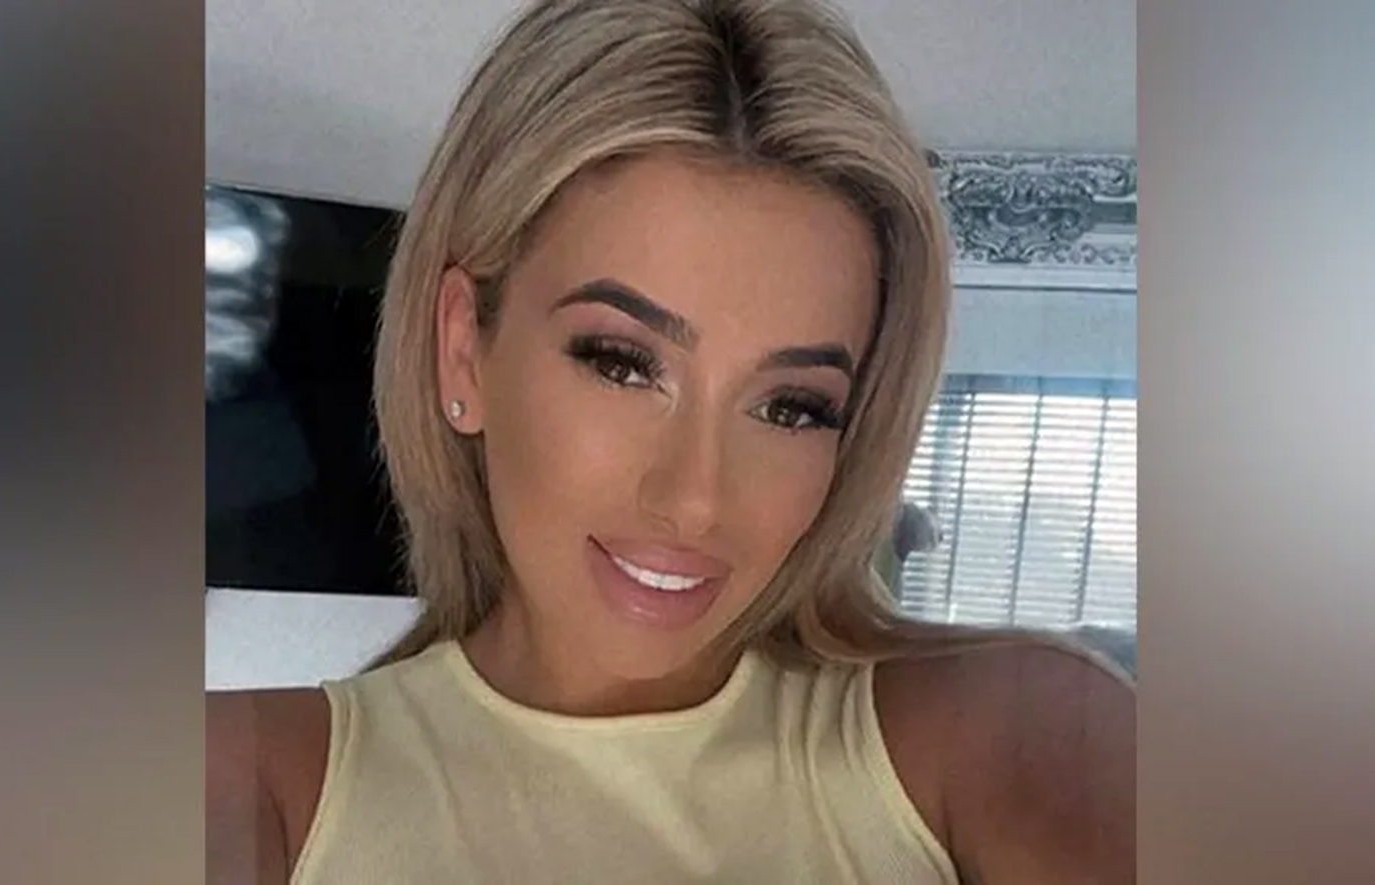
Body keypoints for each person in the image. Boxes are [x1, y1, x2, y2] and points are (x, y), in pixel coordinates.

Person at [206, 0, 1136, 882]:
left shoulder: (1016, 731)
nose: (695, 499)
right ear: (463, 351)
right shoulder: (245, 783)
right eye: (620, 362)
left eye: (791, 407)